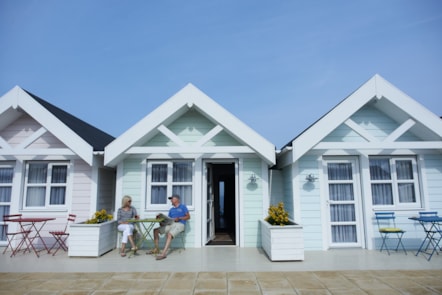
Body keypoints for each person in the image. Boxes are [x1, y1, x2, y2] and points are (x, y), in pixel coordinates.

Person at [152, 194, 190, 260]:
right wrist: (160, 221)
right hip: (171, 224)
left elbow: (188, 217)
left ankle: (163, 254)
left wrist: (180, 218)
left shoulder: (183, 207)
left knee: (169, 234)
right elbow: (168, 221)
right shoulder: (171, 210)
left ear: (176, 199)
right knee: (155, 231)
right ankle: (156, 249)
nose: (171, 201)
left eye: (172, 199)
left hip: (180, 224)